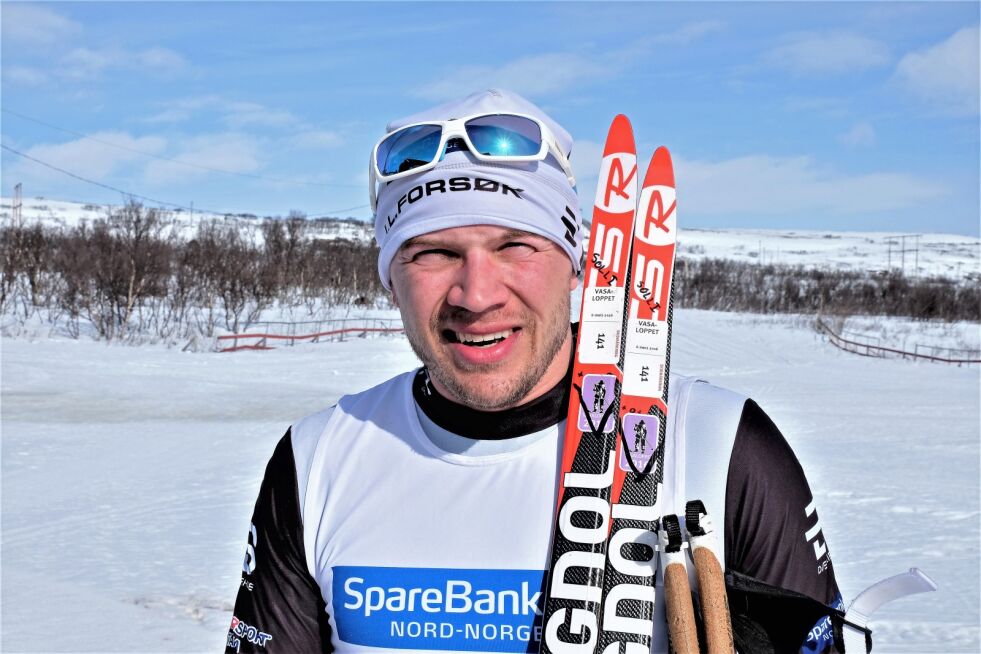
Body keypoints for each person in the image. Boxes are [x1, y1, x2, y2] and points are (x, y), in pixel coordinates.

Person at [226, 89, 843, 654]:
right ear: (391, 281)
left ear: (577, 267)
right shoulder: (318, 459)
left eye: (514, 246)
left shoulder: (722, 446)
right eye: (433, 254)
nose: (476, 295)